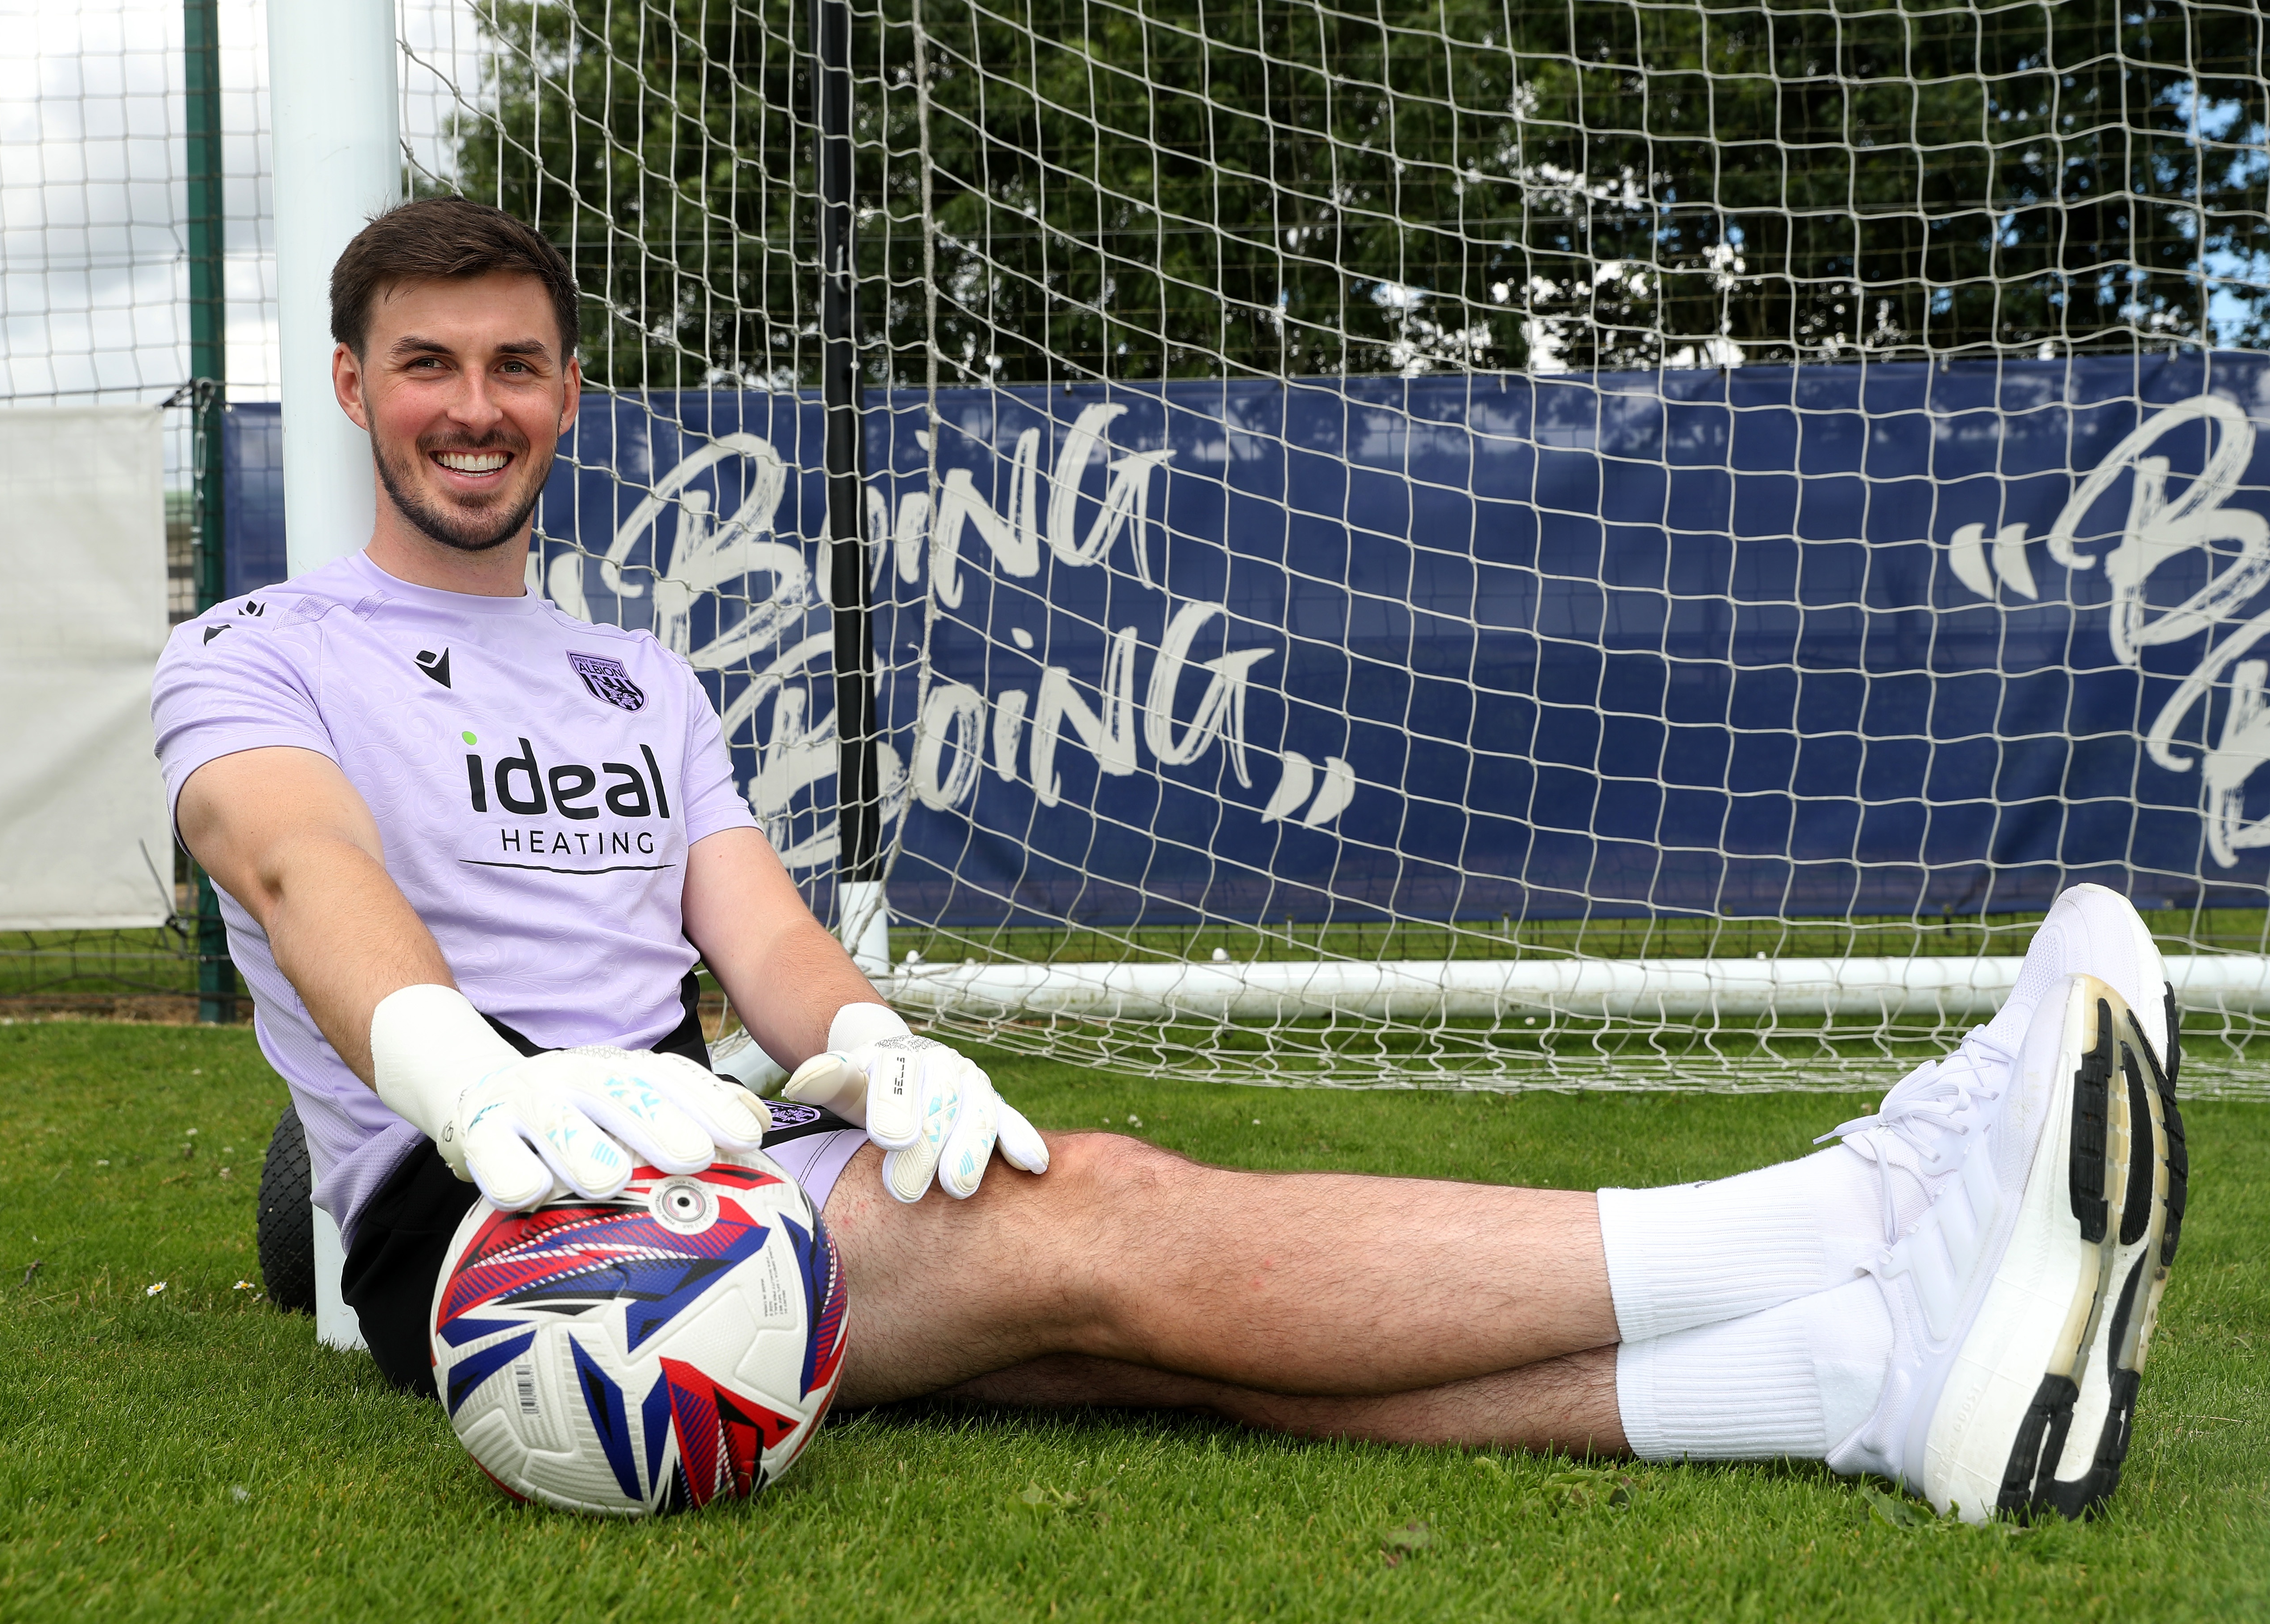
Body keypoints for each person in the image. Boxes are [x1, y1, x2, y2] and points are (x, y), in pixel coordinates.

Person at [153, 197, 2184, 1524]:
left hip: (716, 1153)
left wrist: (871, 1055)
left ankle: (1867, 1382)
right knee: (1106, 1218)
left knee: (1144, 1329)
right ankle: (1851, 1211)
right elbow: (300, 866)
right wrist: (473, 1079)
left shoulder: (634, 675)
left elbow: (762, 945)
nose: (474, 408)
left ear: (570, 391)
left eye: (515, 365)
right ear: (351, 387)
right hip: (501, 1228)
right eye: (428, 365)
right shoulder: (257, 655)